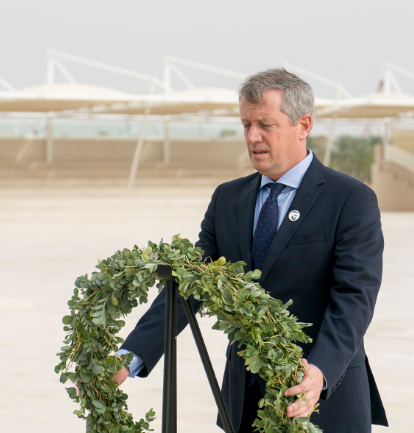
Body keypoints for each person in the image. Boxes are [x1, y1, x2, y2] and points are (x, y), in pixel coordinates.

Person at [115, 69, 388, 433]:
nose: (252, 136)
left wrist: (319, 371)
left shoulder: (351, 199)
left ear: (303, 124)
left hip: (323, 400)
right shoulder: (228, 198)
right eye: (246, 124)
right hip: (243, 405)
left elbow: (355, 299)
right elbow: (189, 287)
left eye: (265, 124)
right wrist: (127, 358)